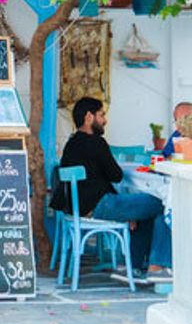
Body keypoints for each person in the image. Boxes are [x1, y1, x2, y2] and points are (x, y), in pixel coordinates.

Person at [55, 97, 172, 282]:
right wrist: (127, 211)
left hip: (81, 208)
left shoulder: (72, 142)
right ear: (89, 117)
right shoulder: (96, 142)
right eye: (101, 115)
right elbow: (116, 175)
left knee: (146, 210)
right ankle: (156, 267)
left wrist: (129, 212)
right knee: (163, 203)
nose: (105, 120)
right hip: (100, 205)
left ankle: (133, 267)